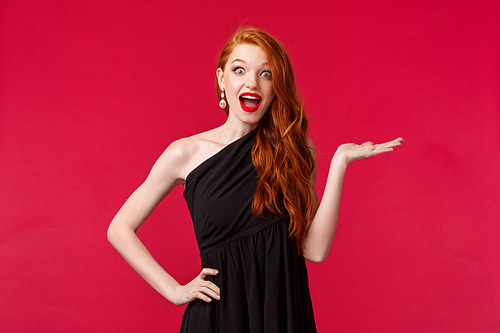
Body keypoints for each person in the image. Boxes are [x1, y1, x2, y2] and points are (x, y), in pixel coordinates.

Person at [107, 27, 403, 332]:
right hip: (219, 318)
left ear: (277, 86)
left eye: (266, 74)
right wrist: (173, 290)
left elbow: (314, 250)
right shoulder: (185, 153)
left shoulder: (295, 150)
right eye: (239, 70)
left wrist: (339, 162)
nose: (252, 82)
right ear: (222, 79)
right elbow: (120, 228)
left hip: (282, 313)